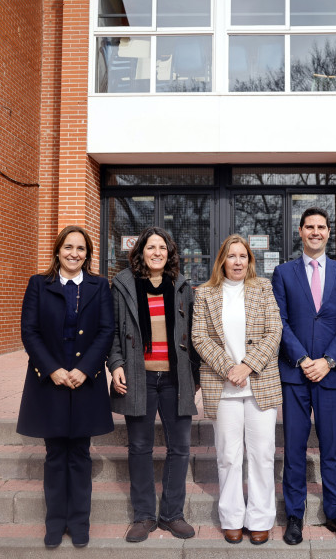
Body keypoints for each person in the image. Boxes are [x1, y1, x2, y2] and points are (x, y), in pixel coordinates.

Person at [16, 225, 115, 549]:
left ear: (88, 254)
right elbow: (29, 332)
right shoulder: (38, 285)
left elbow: (105, 331)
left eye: (81, 249)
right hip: (50, 382)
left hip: (85, 382)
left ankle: (79, 523)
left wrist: (85, 370)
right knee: (55, 454)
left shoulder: (100, 286)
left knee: (81, 455)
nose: (74, 253)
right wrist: (53, 369)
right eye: (69, 247)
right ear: (58, 250)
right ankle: (55, 524)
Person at [271, 206, 336, 545]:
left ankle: (335, 512)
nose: (315, 232)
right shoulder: (283, 272)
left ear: (328, 231)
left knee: (332, 448)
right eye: (309, 227)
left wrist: (329, 361)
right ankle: (295, 515)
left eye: (321, 227)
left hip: (332, 375)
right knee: (294, 448)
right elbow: (280, 321)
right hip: (295, 374)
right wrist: (303, 359)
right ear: (300, 231)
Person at [108, 226, 200, 543]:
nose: (157, 252)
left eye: (162, 247)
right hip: (139, 377)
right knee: (139, 448)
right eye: (151, 247)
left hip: (175, 378)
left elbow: (196, 335)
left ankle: (172, 514)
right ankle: (144, 516)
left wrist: (194, 377)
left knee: (180, 448)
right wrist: (116, 365)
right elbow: (113, 333)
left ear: (169, 253)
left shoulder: (183, 287)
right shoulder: (123, 285)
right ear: (141, 252)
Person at [192, 234, 283, 545]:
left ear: (250, 261)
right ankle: (231, 518)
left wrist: (247, 366)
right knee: (229, 456)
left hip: (260, 383)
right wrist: (228, 368)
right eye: (232, 256)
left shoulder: (263, 289)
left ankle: (259, 519)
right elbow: (199, 337)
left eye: (243, 256)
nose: (238, 261)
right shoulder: (204, 294)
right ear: (222, 260)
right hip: (222, 386)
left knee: (262, 455)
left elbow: (275, 331)